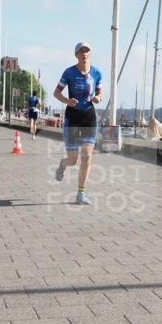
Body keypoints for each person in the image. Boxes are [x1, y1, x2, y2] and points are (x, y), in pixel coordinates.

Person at [53, 42, 102, 205]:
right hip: (72, 117)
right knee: (73, 160)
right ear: (76, 55)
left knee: (87, 156)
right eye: (81, 51)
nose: (84, 53)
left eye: (87, 50)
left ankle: (81, 194)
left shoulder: (96, 73)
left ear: (90, 53)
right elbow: (56, 92)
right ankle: (63, 164)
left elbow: (100, 93)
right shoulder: (69, 72)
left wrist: (98, 98)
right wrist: (67, 100)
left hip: (89, 117)